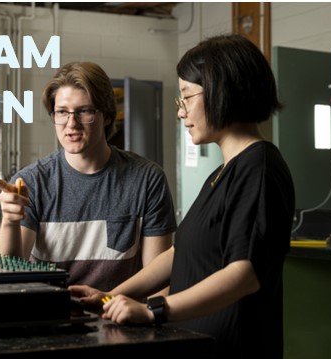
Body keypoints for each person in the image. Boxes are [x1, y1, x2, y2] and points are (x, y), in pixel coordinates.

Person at [69, 34, 295, 359]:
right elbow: (179, 254)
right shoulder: (223, 173)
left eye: (187, 97)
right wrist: (109, 295)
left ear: (222, 91)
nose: (180, 112)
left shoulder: (258, 169)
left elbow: (244, 274)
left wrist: (154, 311)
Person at [0, 62, 177, 292]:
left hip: (120, 320)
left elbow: (157, 283)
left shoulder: (146, 180)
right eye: (61, 112)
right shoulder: (32, 182)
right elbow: (6, 277)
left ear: (107, 116)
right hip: (49, 320)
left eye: (84, 111)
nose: (71, 124)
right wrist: (10, 221)